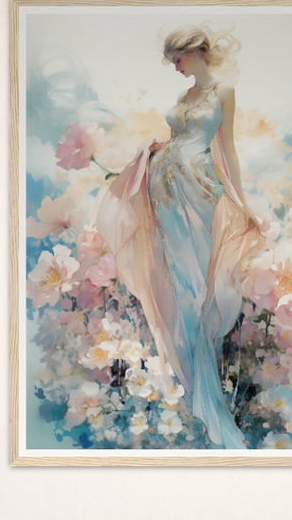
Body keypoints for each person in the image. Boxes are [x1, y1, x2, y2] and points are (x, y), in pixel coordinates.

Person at [96, 25, 266, 450]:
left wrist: (240, 200)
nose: (175, 67)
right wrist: (155, 150)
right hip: (165, 185)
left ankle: (204, 388)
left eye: (177, 59)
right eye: (172, 61)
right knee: (176, 279)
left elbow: (226, 150)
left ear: (195, 52)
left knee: (197, 284)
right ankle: (193, 385)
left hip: (198, 187)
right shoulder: (181, 99)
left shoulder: (222, 91)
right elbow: (178, 140)